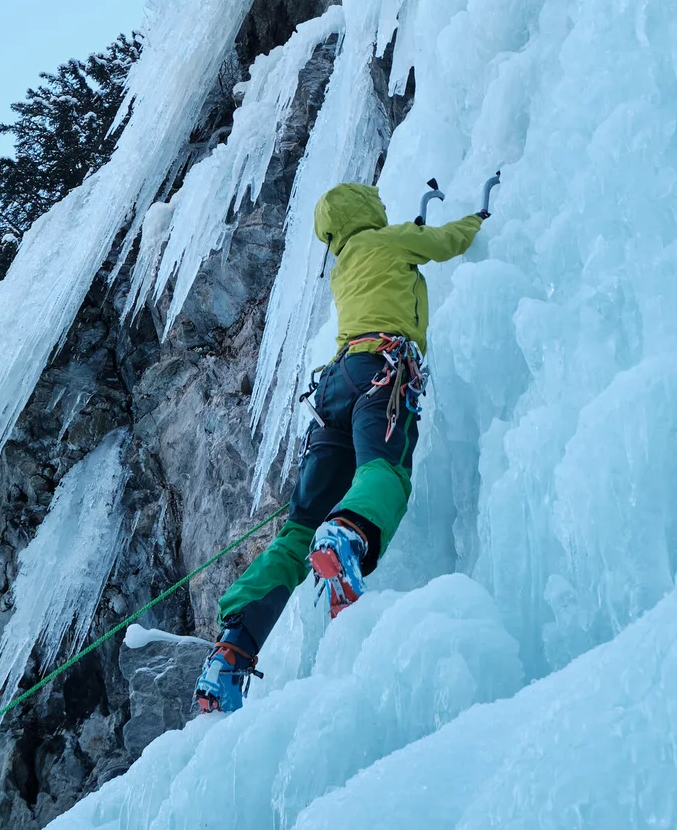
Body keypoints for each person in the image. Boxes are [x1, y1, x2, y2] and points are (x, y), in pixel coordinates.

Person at [194, 181, 485, 713]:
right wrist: (479, 219)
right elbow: (446, 242)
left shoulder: (343, 264)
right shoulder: (390, 240)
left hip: (335, 386)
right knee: (384, 471)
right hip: (381, 371)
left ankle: (231, 649)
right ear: (368, 210)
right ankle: (348, 532)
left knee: (299, 528)